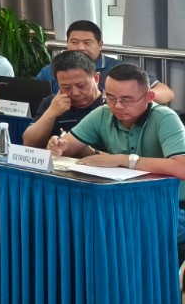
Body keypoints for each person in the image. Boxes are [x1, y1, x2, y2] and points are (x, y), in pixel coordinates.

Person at [49, 63, 185, 243]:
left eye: (127, 100)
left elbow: (181, 167)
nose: (118, 106)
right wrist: (58, 146)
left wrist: (123, 160)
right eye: (111, 98)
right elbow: (68, 146)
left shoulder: (165, 118)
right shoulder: (103, 114)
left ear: (149, 97)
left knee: (122, 234)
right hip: (123, 202)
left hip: (170, 205)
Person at [34, 20, 176, 106]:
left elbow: (167, 93)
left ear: (100, 44)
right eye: (74, 42)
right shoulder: (52, 70)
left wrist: (126, 97)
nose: (80, 48)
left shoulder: (119, 68)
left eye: (87, 43)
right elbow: (33, 97)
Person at [23, 51, 109, 146]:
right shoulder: (53, 102)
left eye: (81, 85)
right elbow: (29, 143)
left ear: (96, 78)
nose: (75, 93)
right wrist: (51, 113)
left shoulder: (112, 104)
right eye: (66, 87)